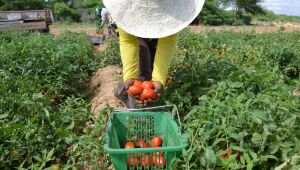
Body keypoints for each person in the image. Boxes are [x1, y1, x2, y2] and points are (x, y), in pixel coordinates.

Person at [103, 0, 205, 108]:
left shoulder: (173, 11)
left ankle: (122, 92)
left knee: (151, 64)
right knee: (143, 68)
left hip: (158, 33)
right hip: (133, 29)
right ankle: (139, 111)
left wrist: (158, 79)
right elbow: (128, 41)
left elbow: (167, 41)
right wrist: (131, 76)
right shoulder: (125, 8)